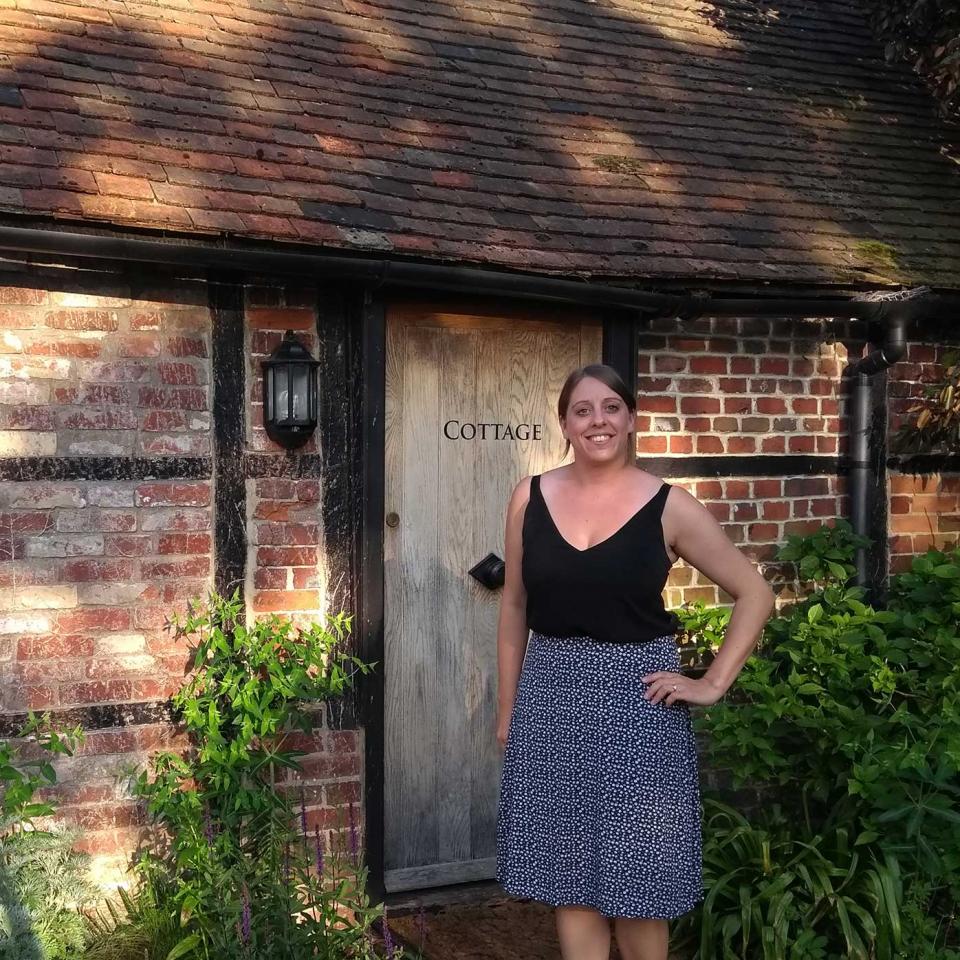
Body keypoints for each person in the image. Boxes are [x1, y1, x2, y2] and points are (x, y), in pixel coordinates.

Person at [495, 363, 775, 960]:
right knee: (569, 882)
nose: (597, 420)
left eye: (610, 408)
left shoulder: (670, 506)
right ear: (566, 425)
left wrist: (712, 682)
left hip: (638, 707)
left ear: (630, 419)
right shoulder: (530, 496)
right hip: (550, 700)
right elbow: (515, 607)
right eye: (582, 410)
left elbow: (755, 592)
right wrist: (507, 711)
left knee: (640, 888)